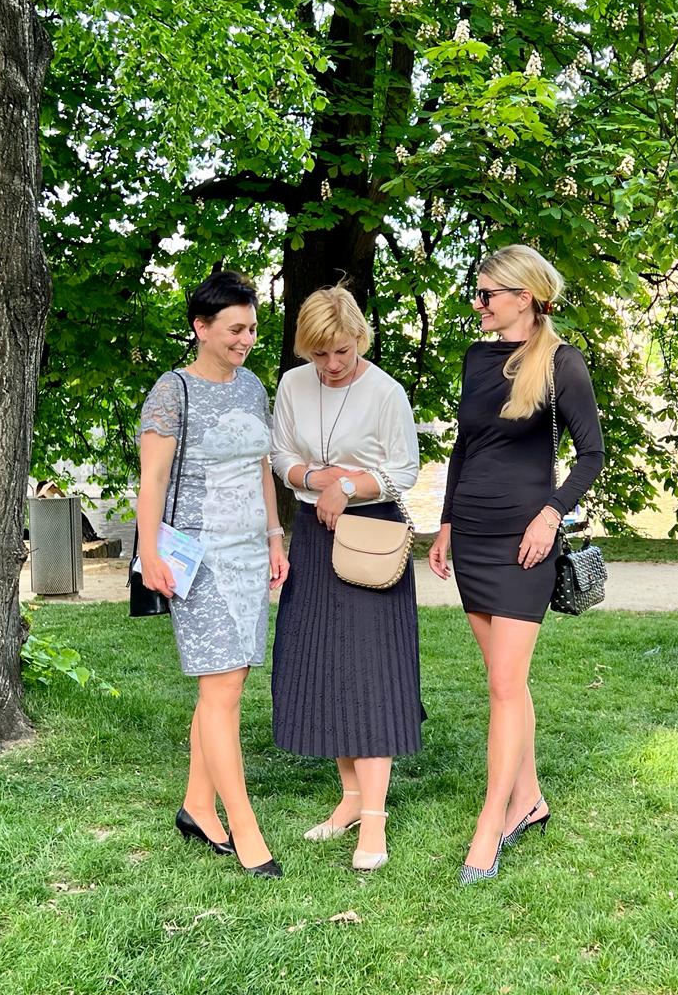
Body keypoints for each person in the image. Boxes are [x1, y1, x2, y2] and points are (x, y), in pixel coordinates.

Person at [428, 245, 604, 885]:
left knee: (505, 685)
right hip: (473, 535)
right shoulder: (477, 359)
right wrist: (446, 522)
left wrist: (551, 514)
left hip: (525, 541)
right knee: (505, 683)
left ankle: (490, 825)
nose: (478, 304)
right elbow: (463, 447)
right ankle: (529, 799)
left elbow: (591, 454)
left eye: (487, 294)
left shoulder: (561, 363)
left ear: (524, 297)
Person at [137, 271, 289, 878]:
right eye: (234, 329)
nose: (246, 339)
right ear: (201, 327)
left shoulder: (253, 388)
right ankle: (245, 831)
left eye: (251, 328)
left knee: (228, 686)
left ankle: (198, 806)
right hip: (197, 557)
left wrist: (275, 538)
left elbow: (261, 469)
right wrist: (149, 551)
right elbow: (152, 480)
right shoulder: (172, 391)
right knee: (221, 691)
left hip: (249, 554)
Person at [270, 285, 422, 872]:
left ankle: (375, 819)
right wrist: (315, 478)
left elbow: (404, 470)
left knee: (370, 674)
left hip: (370, 537)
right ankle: (351, 799)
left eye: (342, 351)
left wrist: (349, 486)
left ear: (360, 337)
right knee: (328, 667)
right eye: (319, 354)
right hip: (314, 537)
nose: (331, 364)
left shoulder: (386, 391)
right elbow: (281, 456)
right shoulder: (292, 385)